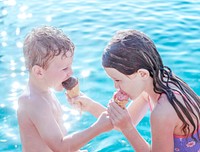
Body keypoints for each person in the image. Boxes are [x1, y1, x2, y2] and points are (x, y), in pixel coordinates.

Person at [71, 29, 200, 152]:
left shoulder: (163, 111)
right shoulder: (157, 82)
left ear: (142, 74)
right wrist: (89, 105)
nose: (116, 86)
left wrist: (127, 128)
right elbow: (119, 123)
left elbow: (125, 125)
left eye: (118, 80)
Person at [17, 26, 113, 152]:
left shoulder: (46, 92)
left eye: (70, 66)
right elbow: (60, 146)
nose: (71, 72)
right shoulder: (33, 102)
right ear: (39, 72)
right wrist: (98, 128)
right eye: (64, 68)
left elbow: (61, 137)